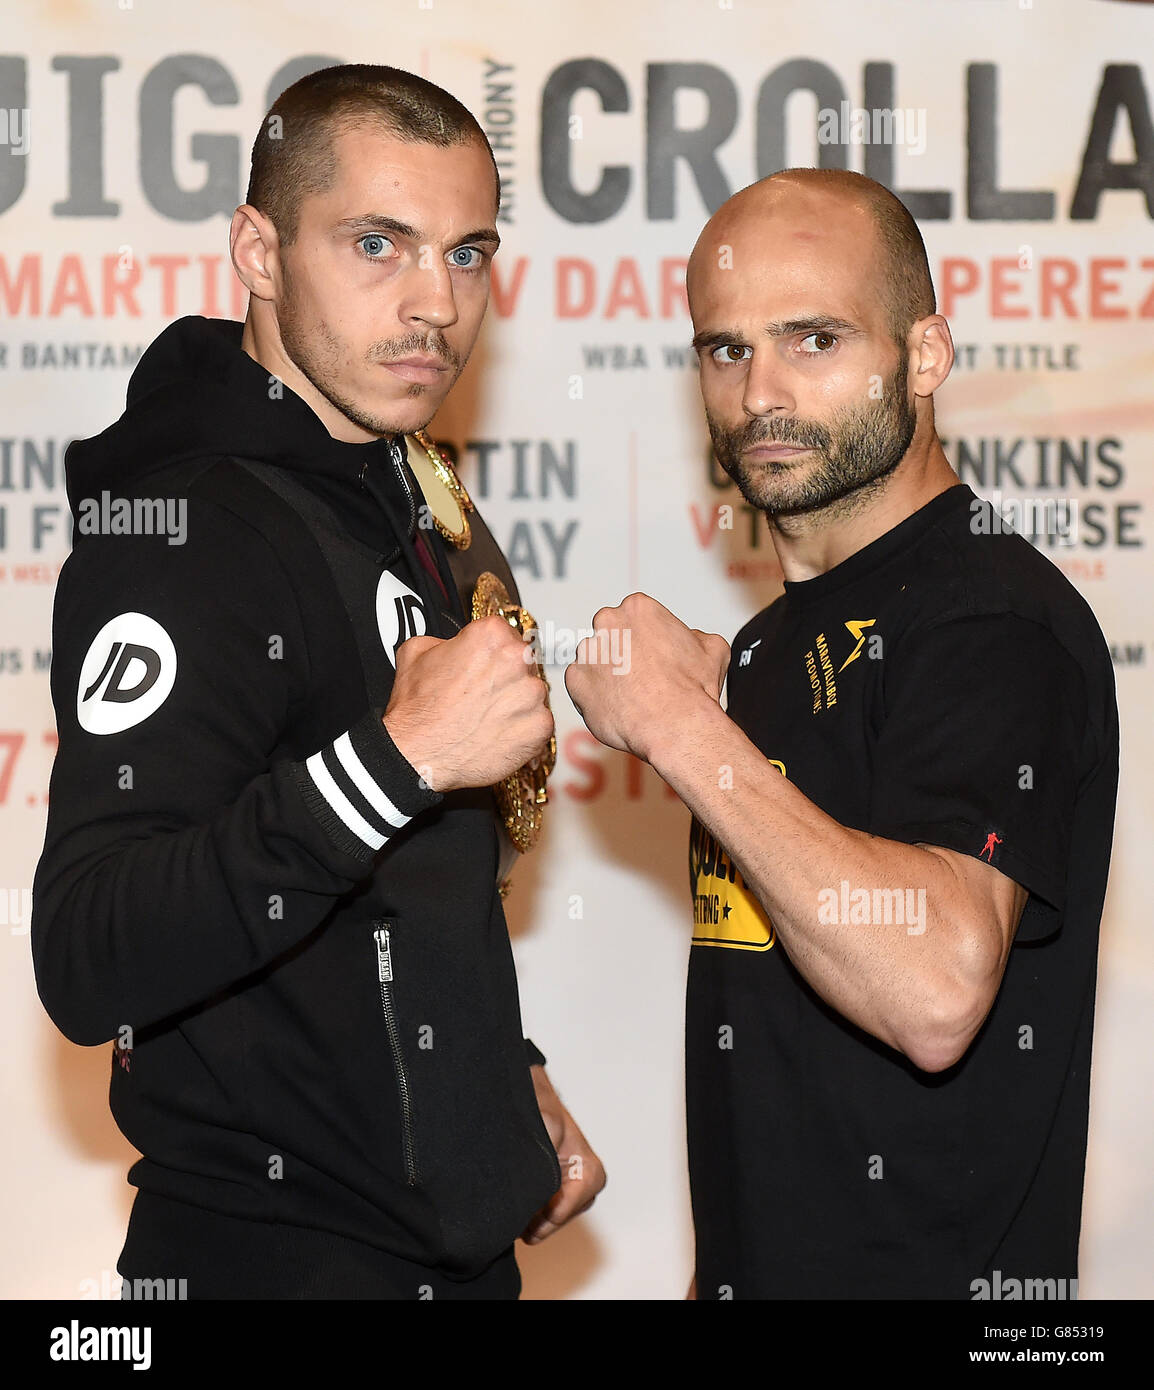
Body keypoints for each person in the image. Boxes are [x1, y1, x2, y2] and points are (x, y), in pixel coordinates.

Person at [32, 63, 603, 1301]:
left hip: (442, 1255)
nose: (433, 305)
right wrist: (394, 761)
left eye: (466, 254)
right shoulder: (184, 532)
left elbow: (386, 896)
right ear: (257, 248)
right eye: (376, 244)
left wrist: (496, 1073)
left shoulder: (408, 500)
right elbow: (90, 952)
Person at [566, 168, 1117, 1300]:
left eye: (812, 339)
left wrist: (678, 728)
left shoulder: (989, 618)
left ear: (922, 356)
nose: (761, 391)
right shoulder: (774, 646)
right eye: (725, 350)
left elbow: (932, 993)